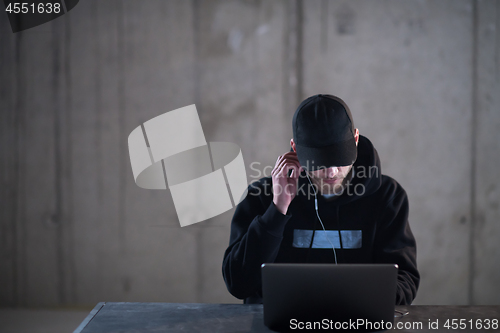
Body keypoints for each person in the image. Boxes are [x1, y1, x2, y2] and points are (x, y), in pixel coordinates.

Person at [222, 94, 419, 305]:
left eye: (340, 158)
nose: (332, 172)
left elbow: (405, 280)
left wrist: (370, 299)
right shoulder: (261, 196)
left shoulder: (387, 197)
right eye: (320, 163)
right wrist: (277, 209)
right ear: (295, 150)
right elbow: (238, 284)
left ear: (355, 139)